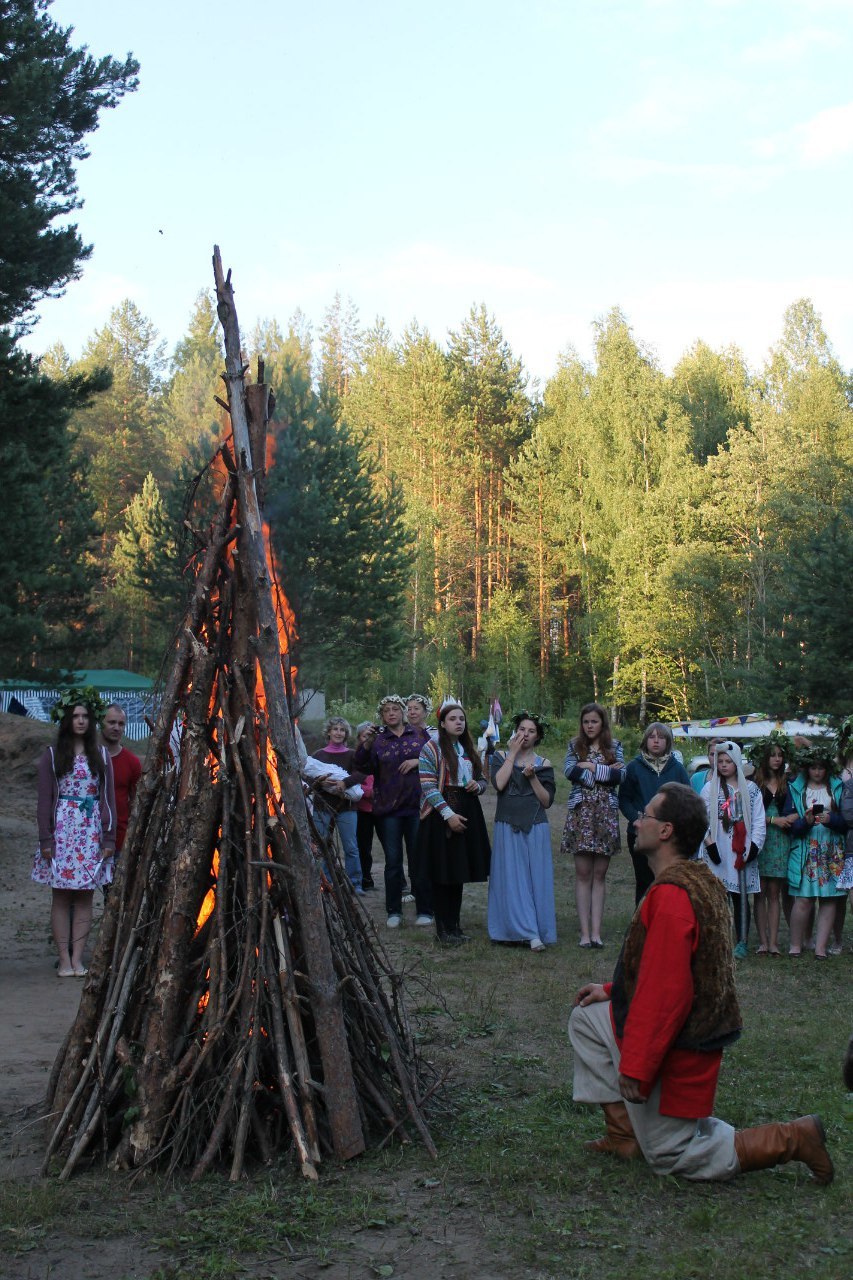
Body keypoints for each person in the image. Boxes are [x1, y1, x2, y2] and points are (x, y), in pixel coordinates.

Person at [568, 782, 833, 1184]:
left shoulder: (674, 897)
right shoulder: (692, 878)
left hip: (683, 1048)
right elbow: (670, 969)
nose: (637, 821)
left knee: (672, 1154)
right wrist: (610, 990)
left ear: (666, 831)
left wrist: (637, 1069)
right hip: (675, 1034)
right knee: (588, 1018)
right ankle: (625, 1136)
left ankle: (793, 1139)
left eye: (647, 816)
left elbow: (667, 995)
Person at [32, 690, 117, 977]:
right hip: (62, 834)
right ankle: (63, 959)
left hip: (90, 833)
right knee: (61, 897)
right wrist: (46, 839)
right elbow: (44, 801)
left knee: (84, 898)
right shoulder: (53, 755)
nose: (80, 721)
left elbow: (108, 800)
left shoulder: (102, 755)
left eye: (85, 716)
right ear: (67, 720)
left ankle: (78, 958)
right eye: (75, 716)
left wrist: (108, 838)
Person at [354, 695, 433, 928]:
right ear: (382, 715)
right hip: (388, 809)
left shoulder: (419, 735)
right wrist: (366, 744)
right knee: (393, 861)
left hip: (416, 806)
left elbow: (437, 759)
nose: (391, 713)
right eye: (386, 710)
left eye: (395, 709)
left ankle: (425, 909)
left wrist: (418, 761)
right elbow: (362, 767)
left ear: (403, 712)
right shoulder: (378, 740)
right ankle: (394, 911)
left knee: (419, 859)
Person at [417, 701, 491, 945]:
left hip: (468, 808)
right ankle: (443, 930)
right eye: (452, 719)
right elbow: (428, 785)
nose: (459, 722)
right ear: (442, 723)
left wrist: (476, 785)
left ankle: (455, 927)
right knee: (442, 872)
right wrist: (448, 815)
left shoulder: (468, 748)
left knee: (458, 870)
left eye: (461, 718)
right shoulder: (431, 748)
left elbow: (483, 781)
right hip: (441, 813)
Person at [488, 712, 556, 951]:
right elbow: (498, 784)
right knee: (510, 878)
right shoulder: (500, 756)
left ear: (537, 737)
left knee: (533, 879)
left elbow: (547, 801)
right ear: (515, 732)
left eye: (531, 731)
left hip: (536, 826)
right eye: (522, 729)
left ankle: (535, 930)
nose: (525, 734)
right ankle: (512, 930)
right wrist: (513, 754)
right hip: (506, 824)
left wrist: (533, 777)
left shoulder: (544, 764)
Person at [561, 703, 624, 948]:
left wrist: (589, 766)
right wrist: (604, 772)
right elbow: (569, 771)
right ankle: (584, 934)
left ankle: (596, 933)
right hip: (581, 814)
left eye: (594, 722)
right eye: (586, 721)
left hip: (606, 813)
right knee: (583, 873)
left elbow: (622, 776)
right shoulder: (573, 746)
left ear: (602, 723)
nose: (589, 726)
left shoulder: (615, 746)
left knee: (600, 874)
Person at [700, 741, 765, 959]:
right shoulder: (710, 788)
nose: (724, 765)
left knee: (740, 897)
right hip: (718, 847)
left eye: (728, 761)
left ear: (737, 762)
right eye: (720, 762)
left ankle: (742, 941)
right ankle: (717, 939)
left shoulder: (751, 789)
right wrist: (710, 845)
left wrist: (754, 847)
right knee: (717, 896)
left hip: (741, 848)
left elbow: (758, 820)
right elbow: (701, 819)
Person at [784, 744, 847, 960]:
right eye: (813, 768)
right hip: (806, 849)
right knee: (803, 899)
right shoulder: (796, 789)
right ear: (806, 769)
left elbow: (846, 822)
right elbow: (791, 826)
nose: (817, 772)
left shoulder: (838, 787)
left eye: (821, 768)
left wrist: (831, 820)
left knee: (829, 899)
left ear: (827, 768)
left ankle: (820, 947)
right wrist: (806, 821)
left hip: (831, 849)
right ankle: (796, 944)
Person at [619, 722, 689, 904]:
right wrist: (635, 818)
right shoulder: (633, 767)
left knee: (668, 882)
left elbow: (687, 800)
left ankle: (666, 925)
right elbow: (624, 799)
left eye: (661, 737)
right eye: (652, 737)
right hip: (640, 833)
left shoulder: (677, 769)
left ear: (668, 741)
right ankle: (641, 927)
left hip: (670, 836)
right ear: (645, 740)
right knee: (644, 882)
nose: (656, 741)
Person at [747, 733, 795, 956]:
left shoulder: (788, 783)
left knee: (774, 892)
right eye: (772, 755)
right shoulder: (754, 783)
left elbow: (797, 812)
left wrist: (789, 819)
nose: (776, 759)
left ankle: (774, 942)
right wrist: (773, 820)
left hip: (780, 842)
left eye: (780, 755)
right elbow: (748, 814)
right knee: (760, 891)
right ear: (764, 758)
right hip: (760, 838)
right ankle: (763, 941)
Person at [309, 717, 366, 894]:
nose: (338, 733)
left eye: (342, 730)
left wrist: (345, 783)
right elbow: (308, 777)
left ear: (346, 734)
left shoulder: (352, 754)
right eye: (335, 729)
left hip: (346, 806)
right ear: (328, 732)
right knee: (321, 846)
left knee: (351, 846)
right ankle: (325, 882)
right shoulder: (319, 755)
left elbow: (361, 774)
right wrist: (322, 781)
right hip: (322, 806)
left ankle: (355, 883)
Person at [100, 703, 141, 882]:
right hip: (86, 837)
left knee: (113, 894)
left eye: (121, 724)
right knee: (79, 895)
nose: (116, 727)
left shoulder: (132, 762)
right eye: (111, 722)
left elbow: (136, 801)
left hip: (118, 839)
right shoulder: (86, 759)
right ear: (101, 723)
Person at [354, 722, 377, 890]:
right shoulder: (355, 757)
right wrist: (369, 792)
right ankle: (365, 877)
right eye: (364, 736)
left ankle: (401, 881)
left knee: (392, 846)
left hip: (382, 807)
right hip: (363, 808)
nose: (368, 739)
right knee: (364, 845)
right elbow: (351, 779)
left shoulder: (381, 755)